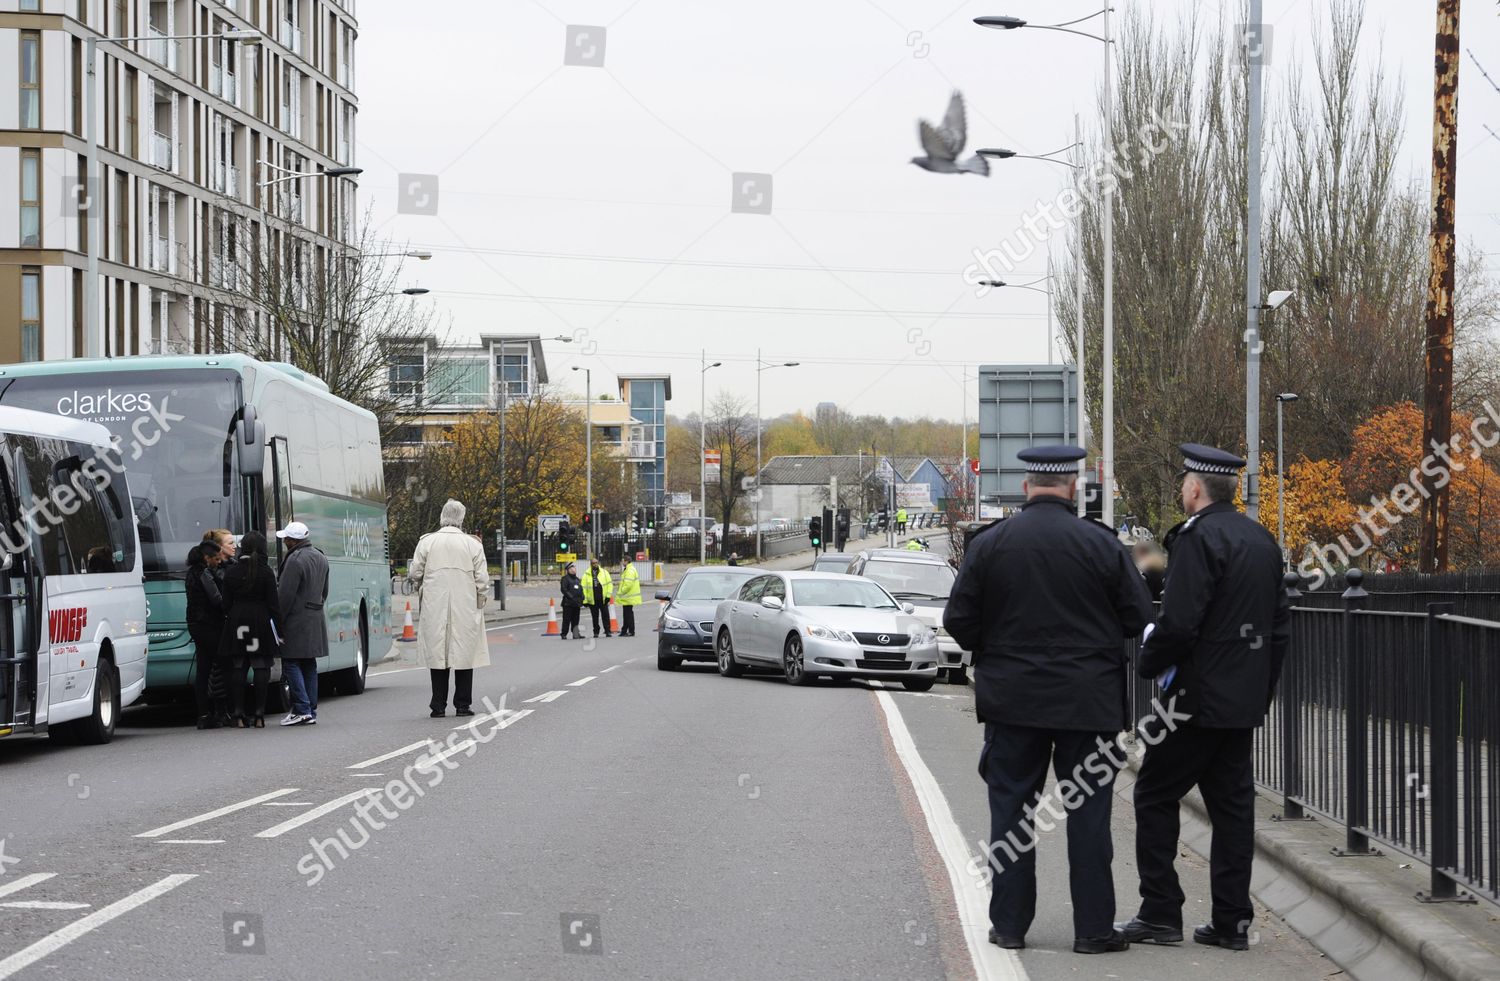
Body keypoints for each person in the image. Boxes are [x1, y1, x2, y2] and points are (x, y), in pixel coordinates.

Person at [944, 445, 1152, 955]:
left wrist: (999, 648)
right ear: (1073, 488)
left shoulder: (991, 545)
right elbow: (1138, 617)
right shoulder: (1101, 545)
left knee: (1011, 813)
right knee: (1088, 816)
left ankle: (1011, 926)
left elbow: (958, 621)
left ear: (1026, 487)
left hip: (1013, 703)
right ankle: (1094, 931)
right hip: (1089, 703)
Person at [1118, 444, 1290, 952]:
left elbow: (1179, 622)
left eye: (1184, 482)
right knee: (1233, 811)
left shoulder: (1197, 539)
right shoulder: (1262, 540)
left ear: (1195, 489)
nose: (1182, 489)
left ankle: (1160, 912)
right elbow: (1279, 628)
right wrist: (1262, 691)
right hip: (1239, 703)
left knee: (1153, 795)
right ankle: (1233, 921)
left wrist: (1148, 664)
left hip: (1191, 701)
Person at [408, 500, 489, 718]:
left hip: (435, 603)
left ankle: (438, 705)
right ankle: (463, 705)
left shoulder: (427, 542)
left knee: (438, 654)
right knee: (464, 654)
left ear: (442, 517)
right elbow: (482, 579)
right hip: (466, 604)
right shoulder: (473, 544)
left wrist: (421, 586)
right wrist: (481, 599)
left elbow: (415, 572)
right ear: (461, 519)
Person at [220, 531, 282, 728]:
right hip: (260, 620)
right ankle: (259, 714)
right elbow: (274, 605)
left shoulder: (231, 572)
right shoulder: (265, 572)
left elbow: (226, 603)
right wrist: (280, 630)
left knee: (239, 665)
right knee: (261, 665)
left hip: (237, 620)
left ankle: (238, 712)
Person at [275, 520, 330, 726]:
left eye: (286, 539)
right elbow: (325, 592)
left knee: (290, 662)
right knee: (309, 664)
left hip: (296, 620)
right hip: (315, 618)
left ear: (292, 540)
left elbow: (285, 596)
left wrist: (277, 619)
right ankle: (311, 710)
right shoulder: (320, 557)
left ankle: (301, 708)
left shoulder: (295, 560)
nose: (284, 542)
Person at [186, 532, 231, 729]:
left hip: (195, 624)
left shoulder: (190, 573)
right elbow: (217, 599)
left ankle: (203, 714)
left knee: (203, 669)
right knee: (223, 665)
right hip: (210, 625)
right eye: (216, 558)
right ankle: (223, 711)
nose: (218, 562)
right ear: (207, 558)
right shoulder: (204, 573)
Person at [581, 556, 614, 638]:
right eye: (593, 563)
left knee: (605, 616)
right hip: (592, 600)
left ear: (598, 563)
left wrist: (608, 596)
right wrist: (584, 601)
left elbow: (609, 584)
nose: (595, 564)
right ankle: (596, 632)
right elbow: (583, 588)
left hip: (603, 599)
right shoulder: (586, 574)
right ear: (590, 564)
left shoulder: (604, 572)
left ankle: (607, 631)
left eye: (596, 563)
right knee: (594, 617)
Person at [615, 557, 641, 637]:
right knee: (627, 614)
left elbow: (628, 585)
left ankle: (631, 631)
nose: (622, 562)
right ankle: (624, 630)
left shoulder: (629, 570)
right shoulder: (629, 569)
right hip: (628, 597)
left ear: (626, 561)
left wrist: (621, 592)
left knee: (628, 614)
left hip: (628, 596)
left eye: (623, 561)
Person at [559, 562, 585, 640]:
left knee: (576, 620)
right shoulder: (565, 579)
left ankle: (575, 634)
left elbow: (581, 589)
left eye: (574, 568)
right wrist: (571, 597)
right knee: (567, 619)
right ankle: (564, 634)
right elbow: (564, 589)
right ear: (568, 570)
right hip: (568, 603)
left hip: (577, 603)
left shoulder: (577, 579)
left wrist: (582, 597)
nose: (574, 570)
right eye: (571, 568)